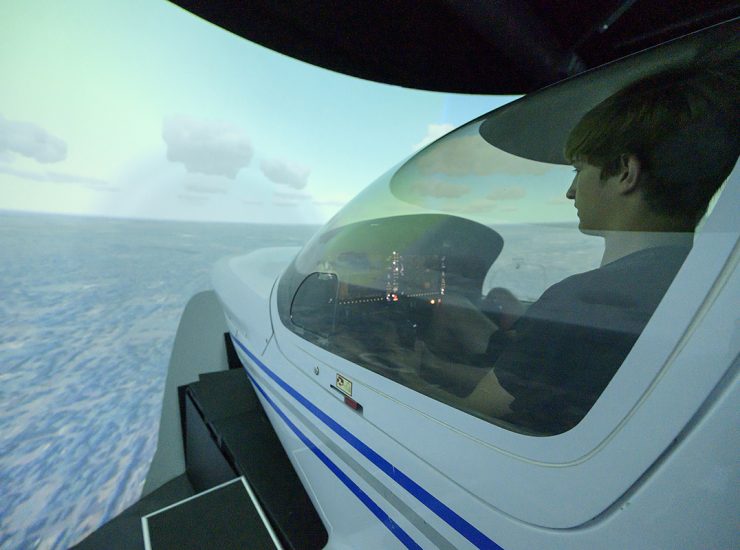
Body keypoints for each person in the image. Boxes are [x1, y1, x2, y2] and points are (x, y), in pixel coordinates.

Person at [402, 64, 739, 435]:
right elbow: (530, 383)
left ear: (625, 172)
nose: (570, 191)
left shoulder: (587, 299)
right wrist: (432, 365)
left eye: (578, 170)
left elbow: (478, 412)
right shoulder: (702, 284)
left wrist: (403, 375)